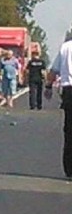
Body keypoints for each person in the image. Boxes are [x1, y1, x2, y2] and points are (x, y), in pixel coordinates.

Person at [46, 37, 72, 179]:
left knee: (69, 129)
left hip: (69, 91)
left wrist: (49, 86)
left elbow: (54, 70)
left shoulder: (66, 47)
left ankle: (69, 167)